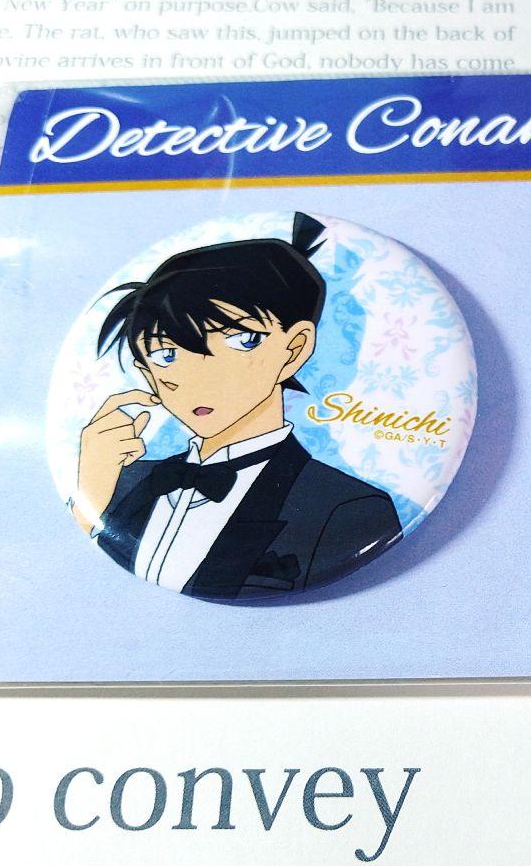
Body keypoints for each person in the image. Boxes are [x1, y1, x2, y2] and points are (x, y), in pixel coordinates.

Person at [71, 212, 402, 600]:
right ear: (147, 374)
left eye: (241, 340)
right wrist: (90, 491)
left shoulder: (345, 508)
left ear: (295, 349)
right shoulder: (118, 481)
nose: (197, 378)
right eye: (165, 355)